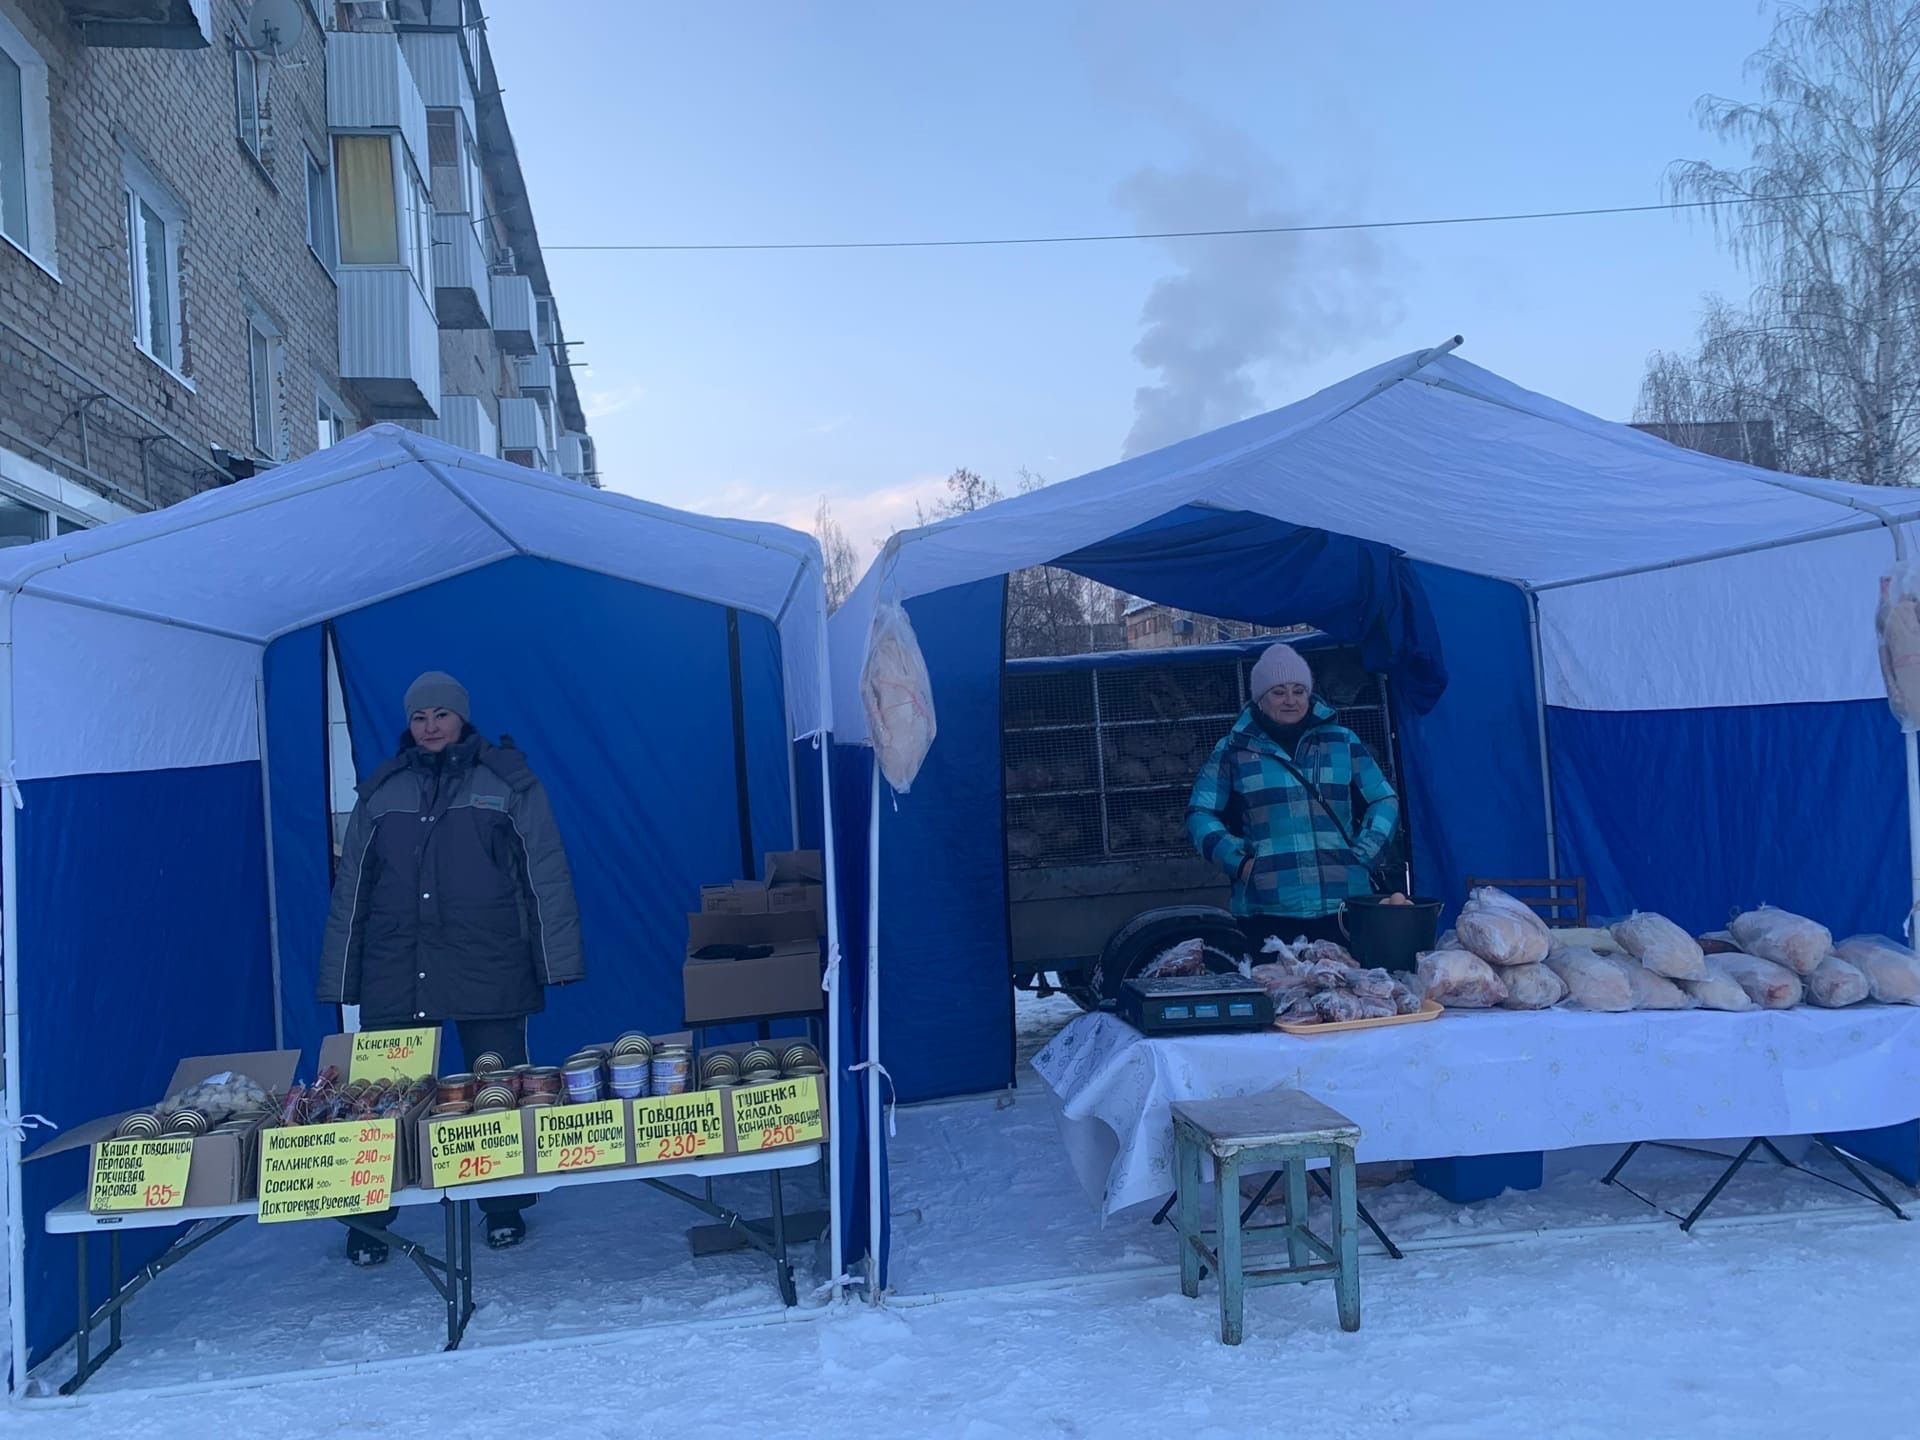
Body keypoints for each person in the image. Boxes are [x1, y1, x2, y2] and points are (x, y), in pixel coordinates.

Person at [317, 671, 584, 1262]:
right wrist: (340, 976)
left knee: (497, 1092)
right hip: (396, 967)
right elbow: (352, 892)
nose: (430, 727)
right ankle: (368, 1217)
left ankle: (504, 1206)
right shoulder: (380, 792)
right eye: (419, 717)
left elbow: (545, 872)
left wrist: (556, 959)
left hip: (488, 963)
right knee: (379, 1102)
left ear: (462, 717)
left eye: (441, 715)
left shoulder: (507, 783)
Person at [1187, 642, 1400, 955]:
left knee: (1344, 997)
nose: (1291, 701)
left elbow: (1385, 799)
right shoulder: (1233, 752)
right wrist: (1240, 862)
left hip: (1342, 906)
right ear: (1260, 698)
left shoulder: (1342, 742)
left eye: (1299, 690)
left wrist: (1366, 851)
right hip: (1269, 909)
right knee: (1281, 997)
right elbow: (1199, 813)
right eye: (1279, 692)